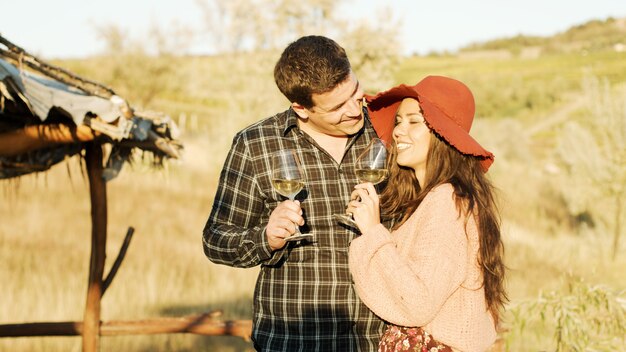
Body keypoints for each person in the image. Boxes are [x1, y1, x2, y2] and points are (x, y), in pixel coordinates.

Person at [203, 35, 390, 351]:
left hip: (379, 339)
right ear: (301, 108)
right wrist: (266, 238)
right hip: (294, 341)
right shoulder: (255, 144)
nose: (355, 111)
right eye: (336, 107)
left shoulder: (387, 128)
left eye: (355, 93)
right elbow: (215, 240)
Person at [347, 76, 507, 352]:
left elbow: (416, 303)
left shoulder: (445, 200)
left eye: (413, 121)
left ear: (441, 135)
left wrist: (373, 231)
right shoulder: (436, 198)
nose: (398, 132)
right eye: (398, 121)